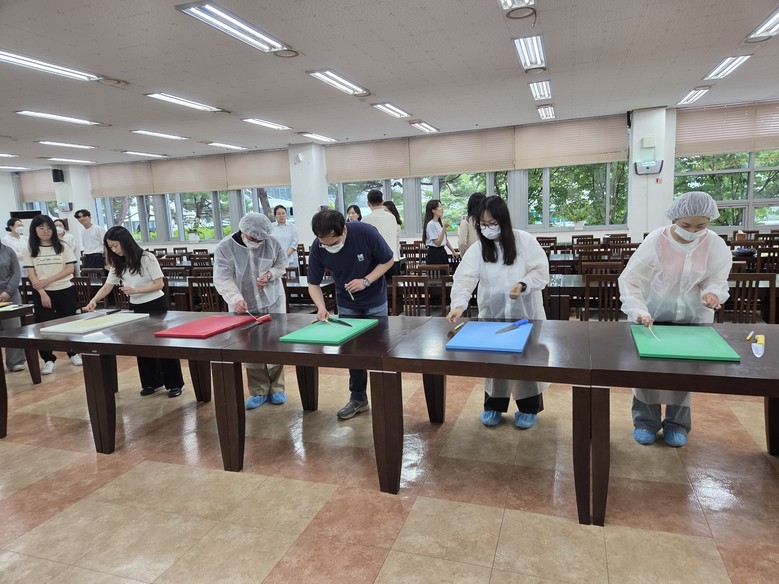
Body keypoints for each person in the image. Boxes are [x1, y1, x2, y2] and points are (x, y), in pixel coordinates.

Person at [619, 191, 731, 448]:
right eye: (686, 225)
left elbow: (716, 278)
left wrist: (712, 293)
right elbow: (631, 280)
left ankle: (677, 424)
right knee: (648, 372)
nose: (692, 231)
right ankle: (645, 422)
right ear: (675, 219)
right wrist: (638, 310)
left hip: (692, 318)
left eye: (700, 226)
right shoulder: (656, 241)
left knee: (683, 373)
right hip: (652, 317)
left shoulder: (714, 244)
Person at [446, 196, 549, 428]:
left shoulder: (524, 241)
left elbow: (540, 271)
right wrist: (459, 304)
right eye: (483, 225)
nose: (488, 229)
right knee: (494, 362)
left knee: (525, 360)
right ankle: (493, 405)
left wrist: (523, 284)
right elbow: (465, 279)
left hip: (524, 314)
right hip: (492, 315)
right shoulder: (479, 248)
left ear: (503, 220)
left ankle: (528, 407)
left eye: (492, 223)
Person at [307, 210, 394, 419]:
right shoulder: (318, 246)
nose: (329, 247)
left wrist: (366, 281)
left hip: (374, 301)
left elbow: (388, 260)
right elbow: (313, 283)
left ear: (343, 230)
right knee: (353, 353)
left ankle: (385, 399)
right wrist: (321, 307)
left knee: (379, 351)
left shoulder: (365, 232)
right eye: (325, 244)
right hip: (346, 304)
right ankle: (358, 399)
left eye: (333, 242)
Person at [84, 226, 185, 398]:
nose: (114, 250)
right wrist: (93, 300)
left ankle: (175, 383)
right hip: (136, 306)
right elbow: (107, 286)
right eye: (110, 247)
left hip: (155, 305)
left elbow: (159, 284)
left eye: (115, 245)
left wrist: (136, 290)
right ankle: (152, 382)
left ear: (125, 242)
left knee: (163, 345)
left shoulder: (146, 258)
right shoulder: (117, 262)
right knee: (140, 344)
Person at [214, 213, 288, 409]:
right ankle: (258, 390)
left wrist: (269, 275)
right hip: (244, 304)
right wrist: (235, 298)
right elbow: (222, 278)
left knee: (275, 343)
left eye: (261, 239)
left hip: (272, 300)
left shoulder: (271, 242)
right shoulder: (225, 247)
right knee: (250, 346)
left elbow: (282, 264)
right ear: (244, 231)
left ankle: (278, 388)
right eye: (254, 239)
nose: (258, 242)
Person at [23, 215, 81, 375]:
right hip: (42, 293)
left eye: (49, 228)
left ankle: (74, 353)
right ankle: (48, 360)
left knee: (70, 324)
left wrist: (48, 280)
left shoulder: (62, 246)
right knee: (43, 326)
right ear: (34, 230)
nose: (45, 231)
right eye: (41, 228)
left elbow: (70, 269)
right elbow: (31, 274)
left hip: (65, 289)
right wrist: (42, 292)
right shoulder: (30, 248)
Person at [363, 189, 400, 281]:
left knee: (379, 290)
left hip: (375, 264)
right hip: (393, 260)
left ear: (368, 203)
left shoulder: (365, 220)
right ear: (382, 202)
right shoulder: (392, 217)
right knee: (394, 289)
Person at [0, 240, 26, 372]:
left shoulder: (8, 251)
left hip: (10, 294)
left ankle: (15, 361)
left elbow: (16, 273)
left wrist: (8, 292)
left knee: (13, 328)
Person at [423, 199, 459, 264]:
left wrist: (453, 251)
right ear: (433, 210)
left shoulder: (438, 223)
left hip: (442, 252)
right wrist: (444, 228)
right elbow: (437, 243)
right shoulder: (431, 224)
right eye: (439, 206)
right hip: (434, 254)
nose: (442, 209)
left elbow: (444, 239)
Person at [457, 192, 486, 256]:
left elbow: (462, 243)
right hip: (486, 256)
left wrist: (465, 256)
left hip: (471, 256)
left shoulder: (466, 221)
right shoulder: (487, 222)